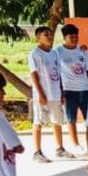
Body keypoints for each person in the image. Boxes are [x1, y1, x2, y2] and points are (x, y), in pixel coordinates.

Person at [28, 25, 72, 163]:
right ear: (38, 38)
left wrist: (61, 92)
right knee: (39, 122)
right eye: (45, 34)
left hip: (55, 94)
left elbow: (58, 74)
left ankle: (59, 148)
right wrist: (41, 94)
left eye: (50, 34)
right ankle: (37, 151)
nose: (49, 36)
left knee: (57, 121)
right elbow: (34, 74)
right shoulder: (35, 54)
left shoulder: (54, 54)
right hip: (43, 95)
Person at [56, 24, 88, 153]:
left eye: (76, 37)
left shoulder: (82, 51)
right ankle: (76, 144)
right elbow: (57, 73)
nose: (74, 39)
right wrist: (60, 91)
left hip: (86, 89)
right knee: (71, 118)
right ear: (64, 37)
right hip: (69, 90)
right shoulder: (58, 52)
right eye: (71, 37)